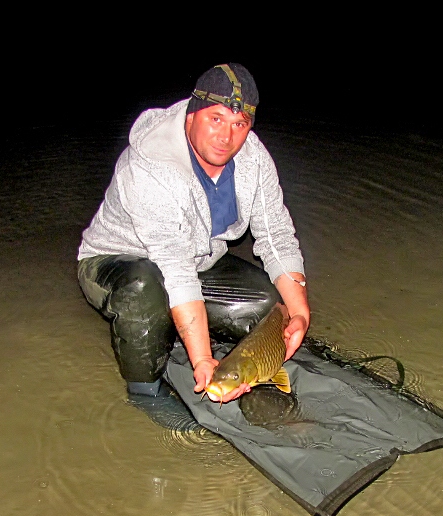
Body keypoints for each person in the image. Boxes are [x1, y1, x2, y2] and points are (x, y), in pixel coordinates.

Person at [77, 63, 309, 416]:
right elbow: (176, 270)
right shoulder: (150, 166)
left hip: (198, 262)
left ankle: (192, 332)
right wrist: (202, 358)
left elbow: (275, 234)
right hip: (117, 263)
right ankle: (145, 391)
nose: (227, 137)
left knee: (268, 306)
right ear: (191, 114)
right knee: (144, 289)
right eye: (216, 119)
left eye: (239, 124)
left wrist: (300, 312)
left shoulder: (254, 159)